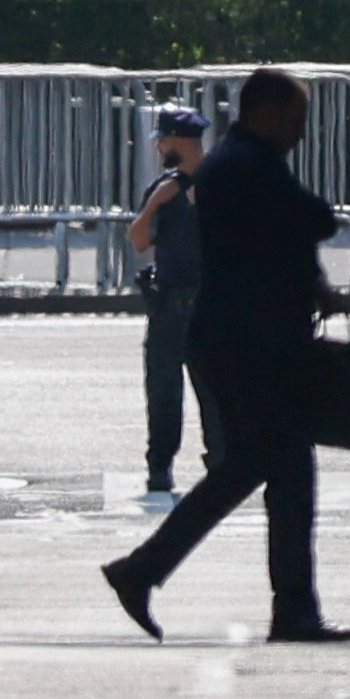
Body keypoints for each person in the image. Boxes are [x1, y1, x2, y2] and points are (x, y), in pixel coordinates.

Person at [99, 68, 350, 643]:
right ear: (264, 112)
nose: (300, 132)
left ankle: (152, 573)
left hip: (244, 338)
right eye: (294, 119)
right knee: (272, 469)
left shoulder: (240, 162)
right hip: (247, 343)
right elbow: (314, 218)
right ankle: (279, 607)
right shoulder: (246, 164)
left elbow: (277, 238)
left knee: (264, 469)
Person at [125, 104, 227, 495]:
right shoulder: (164, 188)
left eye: (163, 141)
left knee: (215, 394)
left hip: (210, 306)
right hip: (168, 305)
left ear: (181, 142)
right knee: (163, 392)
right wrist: (155, 204)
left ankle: (221, 465)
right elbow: (139, 242)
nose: (158, 148)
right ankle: (159, 467)